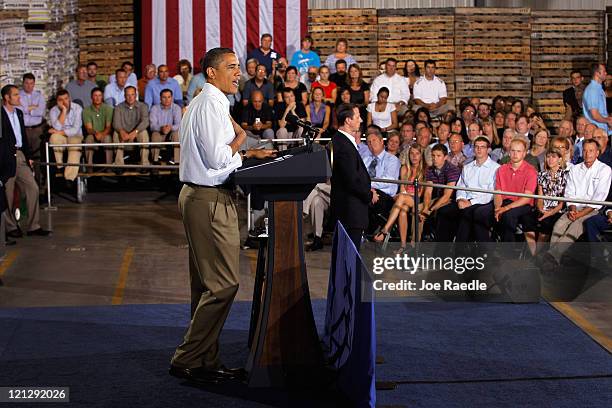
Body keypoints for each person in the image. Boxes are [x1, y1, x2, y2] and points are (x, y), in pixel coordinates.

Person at [170, 47, 275, 383]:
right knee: (224, 284)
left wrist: (241, 144)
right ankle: (187, 356)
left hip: (200, 196)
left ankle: (205, 358)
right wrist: (243, 148)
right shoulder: (212, 104)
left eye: (239, 67)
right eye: (231, 67)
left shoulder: (206, 102)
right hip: (209, 199)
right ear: (211, 73)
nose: (238, 72)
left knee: (205, 285)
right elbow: (217, 159)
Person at [546, 139, 611, 264]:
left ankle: (551, 257)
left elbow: (598, 199)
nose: (587, 154)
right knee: (558, 226)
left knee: (574, 228)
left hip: (593, 210)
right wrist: (573, 209)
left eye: (591, 151)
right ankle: (554, 261)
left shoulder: (605, 170)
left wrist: (579, 215)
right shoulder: (575, 169)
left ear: (597, 153)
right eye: (585, 150)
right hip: (574, 208)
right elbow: (570, 193)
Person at [1, 85, 50, 238]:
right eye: (15, 95)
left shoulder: (19, 113)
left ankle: (33, 226)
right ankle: (10, 227)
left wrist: (28, 156)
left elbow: (23, 136)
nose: (19, 97)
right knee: (7, 194)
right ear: (7, 98)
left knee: (33, 188)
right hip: (5, 158)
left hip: (21, 156)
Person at [330, 103, 371, 250]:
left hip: (349, 211)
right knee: (349, 261)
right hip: (350, 213)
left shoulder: (341, 141)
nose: (360, 120)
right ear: (348, 120)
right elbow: (352, 180)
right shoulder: (343, 144)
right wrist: (368, 194)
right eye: (358, 117)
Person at [373, 143, 426, 251]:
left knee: (401, 198)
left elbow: (419, 194)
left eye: (417, 154)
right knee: (402, 211)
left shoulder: (425, 170)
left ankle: (385, 229)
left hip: (417, 200)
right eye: (412, 153)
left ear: (421, 155)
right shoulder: (404, 169)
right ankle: (402, 246)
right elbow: (402, 189)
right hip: (405, 200)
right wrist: (404, 195)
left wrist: (403, 195)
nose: (414, 156)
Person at [452, 137, 500, 242]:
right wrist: (460, 199)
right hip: (466, 200)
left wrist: (471, 202)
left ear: (488, 150)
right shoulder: (467, 167)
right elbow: (461, 186)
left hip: (486, 202)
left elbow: (491, 193)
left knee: (469, 213)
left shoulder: (496, 168)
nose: (479, 149)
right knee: (444, 211)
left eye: (482, 147)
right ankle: (440, 248)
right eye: (476, 147)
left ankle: (461, 251)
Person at [523, 148, 569, 254]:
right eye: (548, 157)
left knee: (546, 222)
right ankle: (533, 253)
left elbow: (563, 202)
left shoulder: (566, 175)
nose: (550, 160)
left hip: (558, 210)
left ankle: (538, 254)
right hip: (543, 208)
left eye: (553, 157)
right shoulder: (542, 175)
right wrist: (541, 208)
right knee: (527, 218)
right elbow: (540, 197)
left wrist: (549, 213)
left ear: (560, 159)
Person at [494, 138, 538, 242]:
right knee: (487, 214)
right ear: (509, 152)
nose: (515, 154)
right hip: (505, 202)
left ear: (524, 154)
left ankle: (510, 252)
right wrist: (497, 208)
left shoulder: (531, 171)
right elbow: (498, 193)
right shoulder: (502, 169)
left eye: (519, 151)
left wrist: (506, 208)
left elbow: (527, 198)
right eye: (513, 150)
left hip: (523, 204)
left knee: (508, 215)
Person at [419, 144, 461, 242]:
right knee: (417, 210)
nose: (435, 158)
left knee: (435, 213)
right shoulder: (430, 169)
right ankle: (415, 243)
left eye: (438, 156)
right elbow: (428, 192)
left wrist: (430, 210)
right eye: (433, 155)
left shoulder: (453, 169)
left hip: (451, 200)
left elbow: (447, 196)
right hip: (437, 198)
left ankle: (433, 240)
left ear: (445, 157)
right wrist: (425, 208)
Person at [49, 89, 84, 182]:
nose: (64, 102)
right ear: (57, 101)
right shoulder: (53, 110)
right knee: (54, 137)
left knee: (74, 146)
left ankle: (69, 177)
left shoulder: (78, 108)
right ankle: (59, 166)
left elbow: (75, 129)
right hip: (62, 137)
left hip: (75, 136)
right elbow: (56, 126)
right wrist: (63, 111)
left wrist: (58, 132)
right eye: (61, 100)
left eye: (66, 98)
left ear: (69, 98)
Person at [112, 86, 150, 167]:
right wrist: (121, 131)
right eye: (128, 95)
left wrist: (135, 132)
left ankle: (144, 163)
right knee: (116, 133)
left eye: (132, 94)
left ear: (135, 95)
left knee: (144, 133)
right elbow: (116, 123)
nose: (130, 97)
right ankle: (119, 165)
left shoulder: (143, 106)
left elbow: (145, 121)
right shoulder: (118, 107)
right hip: (124, 133)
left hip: (137, 132)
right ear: (124, 96)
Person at [83, 87, 113, 168]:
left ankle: (109, 167)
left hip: (105, 134)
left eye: (99, 95)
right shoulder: (86, 110)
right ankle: (89, 167)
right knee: (89, 138)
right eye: (95, 96)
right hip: (93, 134)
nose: (97, 98)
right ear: (91, 97)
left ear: (102, 97)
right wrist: (96, 133)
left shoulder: (108, 109)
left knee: (108, 138)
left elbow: (108, 127)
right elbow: (89, 129)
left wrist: (102, 134)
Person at [149, 89, 182, 165]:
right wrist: (161, 128)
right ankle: (155, 161)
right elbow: (152, 125)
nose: (167, 100)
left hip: (171, 133)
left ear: (172, 98)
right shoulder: (154, 108)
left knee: (176, 134)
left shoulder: (177, 108)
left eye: (169, 97)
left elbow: (179, 124)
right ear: (160, 98)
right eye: (164, 97)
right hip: (159, 132)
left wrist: (170, 127)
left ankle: (176, 162)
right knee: (155, 134)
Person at [18, 73, 46, 162]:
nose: (29, 86)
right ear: (23, 83)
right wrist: (32, 107)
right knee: (23, 154)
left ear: (34, 84)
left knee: (38, 155)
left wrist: (26, 110)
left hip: (36, 129)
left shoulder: (39, 96)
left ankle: (38, 175)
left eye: (31, 83)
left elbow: (41, 111)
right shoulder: (17, 96)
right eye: (27, 83)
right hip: (23, 129)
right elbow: (18, 110)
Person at [583, 63, 612, 133]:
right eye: (604, 71)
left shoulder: (599, 89)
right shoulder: (593, 89)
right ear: (597, 73)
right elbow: (595, 115)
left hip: (602, 131)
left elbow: (602, 112)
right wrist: (608, 120)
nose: (606, 73)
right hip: (595, 133)